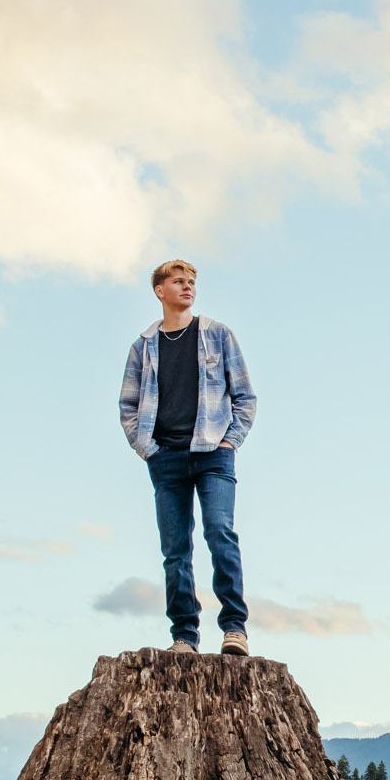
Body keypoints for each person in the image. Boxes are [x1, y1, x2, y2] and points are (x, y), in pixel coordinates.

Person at [118, 260, 256, 654]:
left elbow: (245, 396)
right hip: (166, 459)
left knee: (220, 532)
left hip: (214, 454)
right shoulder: (143, 347)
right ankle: (184, 637)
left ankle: (235, 629)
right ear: (159, 291)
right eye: (178, 281)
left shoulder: (217, 335)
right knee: (175, 549)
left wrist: (231, 441)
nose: (188, 287)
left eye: (192, 282)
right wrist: (148, 449)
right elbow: (128, 404)